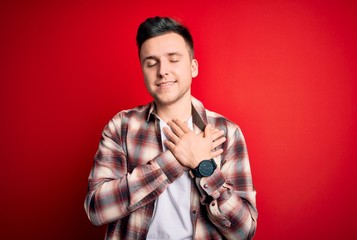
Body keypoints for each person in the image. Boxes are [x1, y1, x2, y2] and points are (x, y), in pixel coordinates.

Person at [84, 16, 258, 240]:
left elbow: (244, 231)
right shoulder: (121, 126)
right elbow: (96, 209)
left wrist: (204, 167)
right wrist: (173, 161)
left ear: (193, 67)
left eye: (173, 59)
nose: (162, 71)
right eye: (151, 62)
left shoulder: (227, 133)